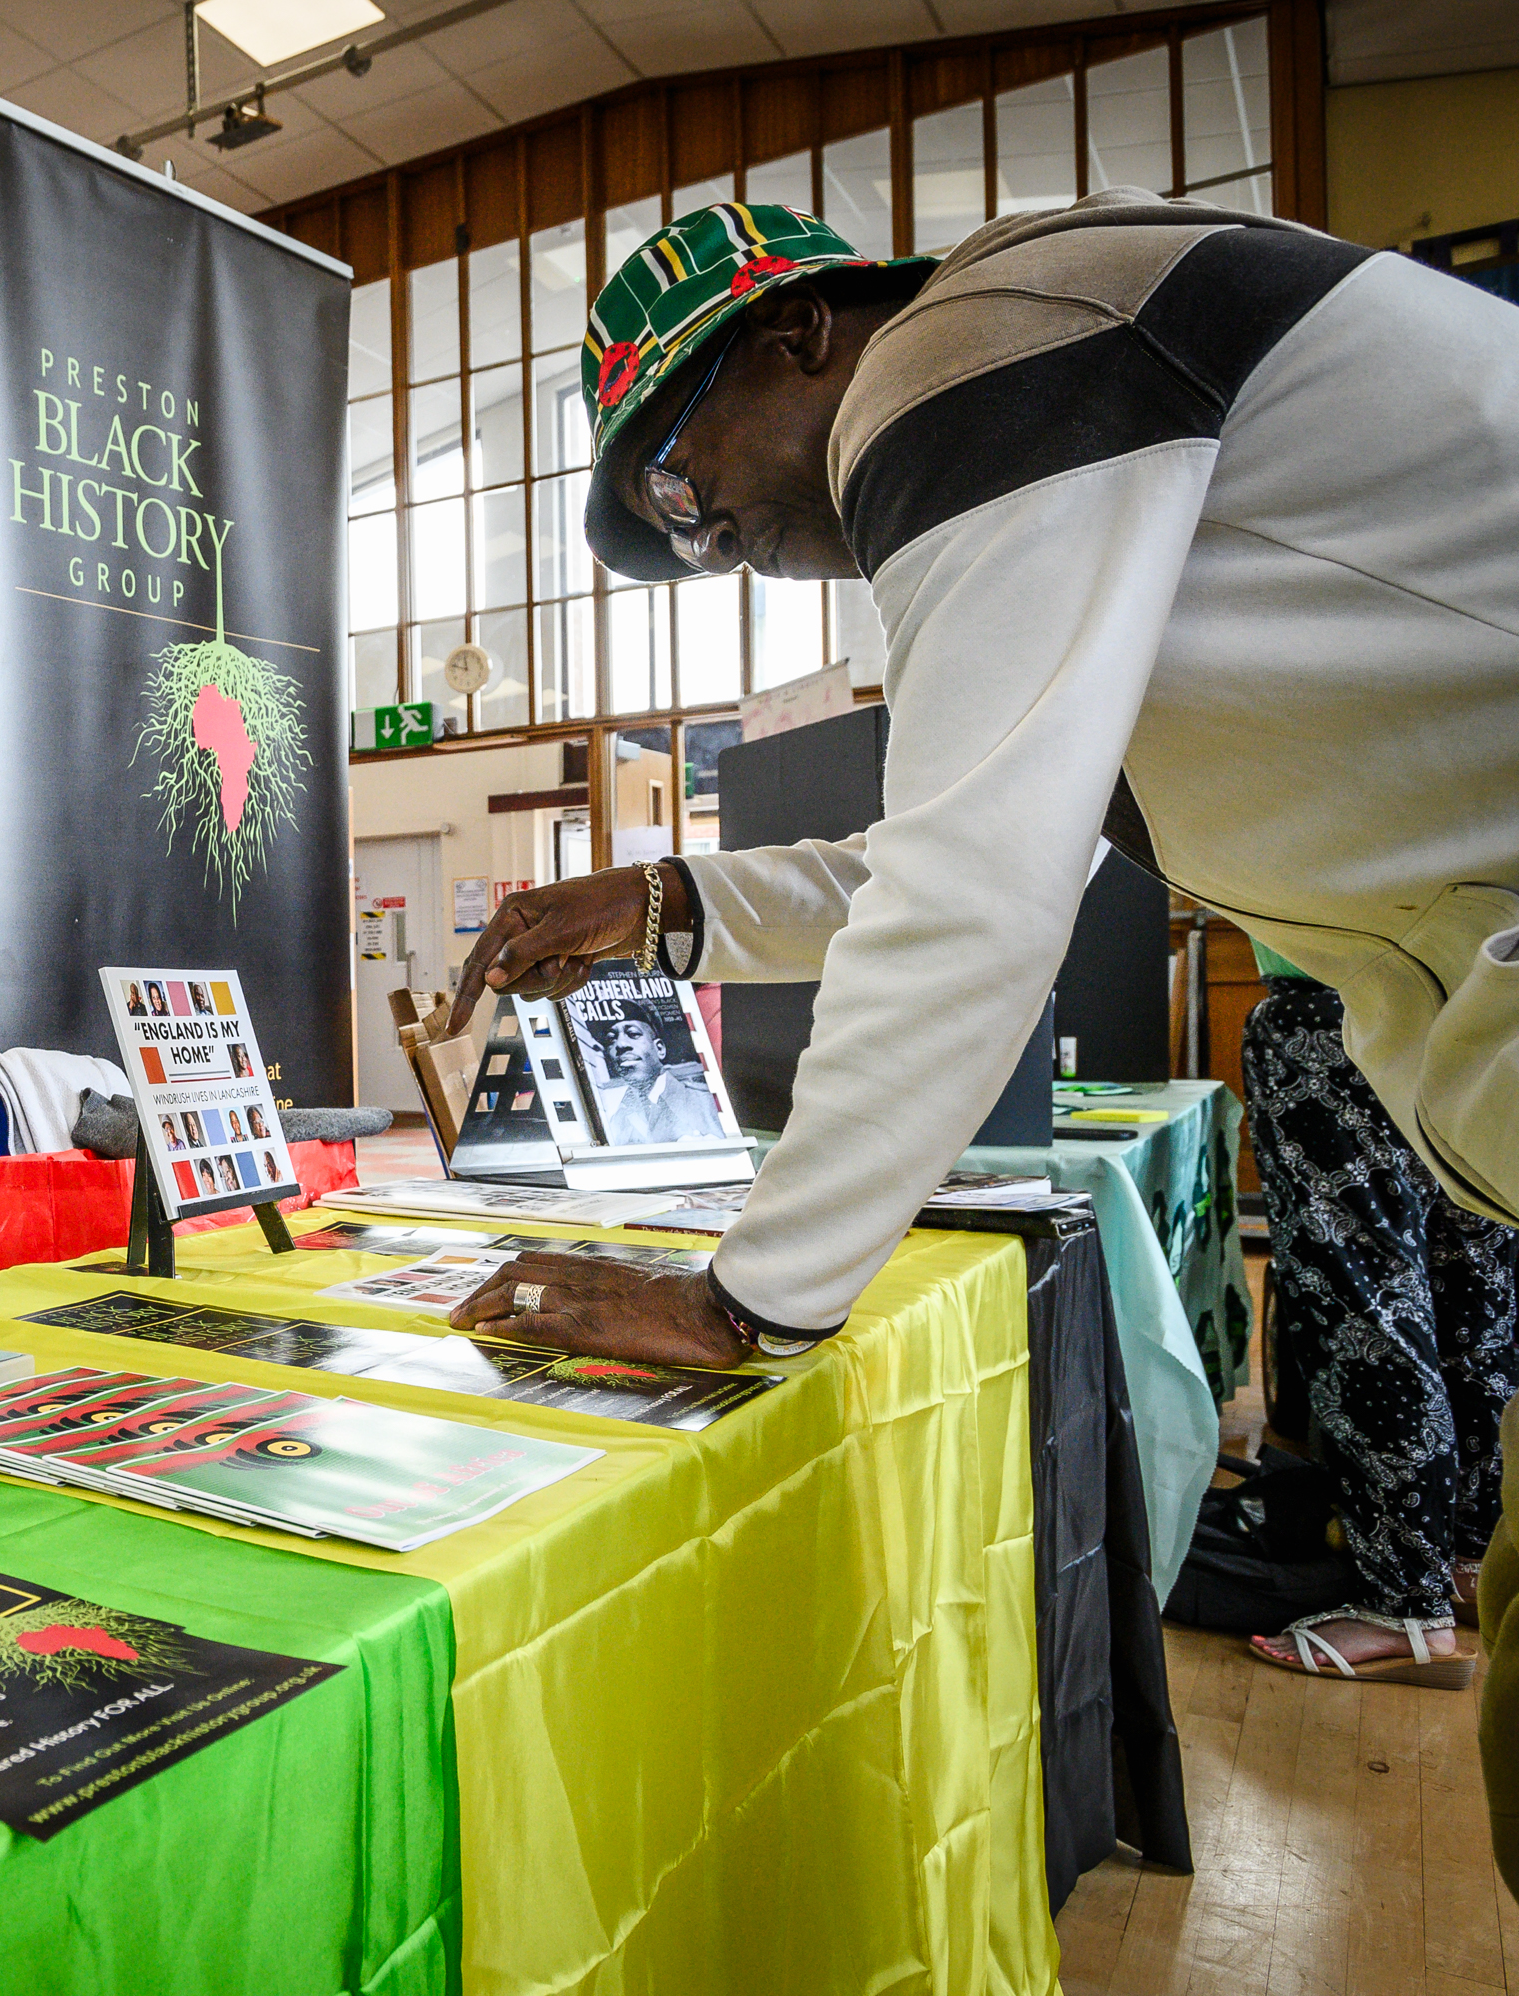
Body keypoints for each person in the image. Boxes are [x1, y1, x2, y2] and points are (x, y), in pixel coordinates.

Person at [438, 195, 1518, 1408]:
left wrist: (743, 1298)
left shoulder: (965, 357)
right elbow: (964, 853)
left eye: (682, 490)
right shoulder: (1058, 406)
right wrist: (660, 901)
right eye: (684, 541)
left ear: (796, 335)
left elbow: (971, 891)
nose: (720, 543)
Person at [1242, 943, 1515, 1686]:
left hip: (1338, 1001)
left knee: (1364, 1307)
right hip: (1490, 995)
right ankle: (1468, 1557)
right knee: (1478, 1297)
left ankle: (1402, 1603)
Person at [575, 1012, 728, 1146]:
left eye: (633, 1034)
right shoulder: (616, 1119)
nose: (620, 1044)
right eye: (611, 1039)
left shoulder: (704, 1101)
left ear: (659, 1049)